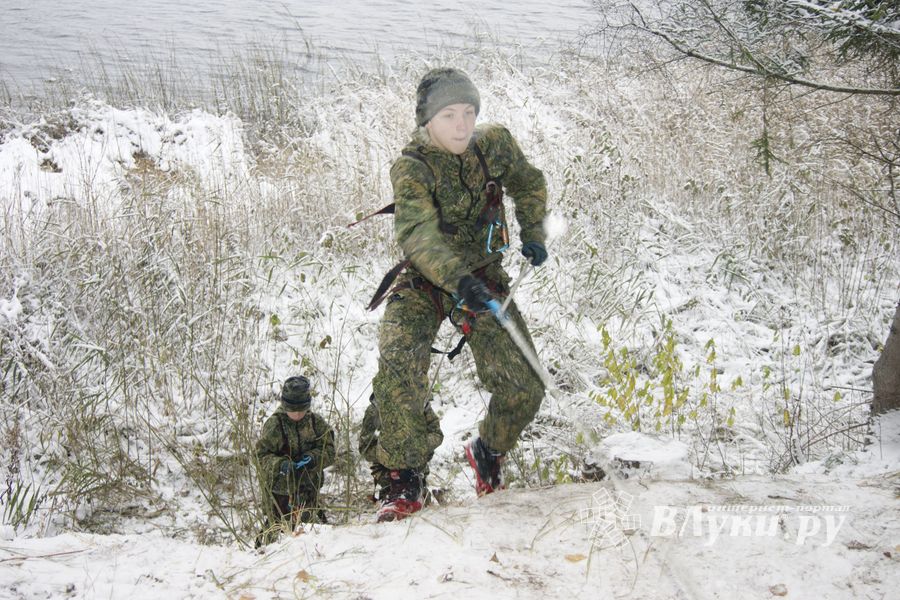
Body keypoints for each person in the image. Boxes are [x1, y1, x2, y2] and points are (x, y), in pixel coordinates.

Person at [368, 67, 548, 521]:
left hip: (483, 278)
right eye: (449, 115)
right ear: (427, 119)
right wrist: (457, 280)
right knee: (399, 364)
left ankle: (488, 452)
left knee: (526, 383)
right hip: (427, 281)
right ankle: (404, 476)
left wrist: (534, 231)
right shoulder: (412, 167)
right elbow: (418, 235)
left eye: (469, 112)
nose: (462, 125)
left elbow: (528, 181)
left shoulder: (494, 144)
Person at [255, 375, 335, 545]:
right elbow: (261, 456)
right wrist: (280, 465)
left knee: (314, 536)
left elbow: (329, 450)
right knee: (275, 537)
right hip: (279, 493)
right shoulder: (275, 425)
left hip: (308, 490)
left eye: (301, 409)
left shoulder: (316, 423)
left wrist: (313, 458)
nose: (297, 414)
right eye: (292, 409)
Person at [358, 393, 443, 521]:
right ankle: (393, 502)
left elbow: (436, 435)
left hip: (416, 470)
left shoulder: (419, 402)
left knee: (418, 502)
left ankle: (418, 495)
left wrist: (418, 447)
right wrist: (388, 453)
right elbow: (365, 448)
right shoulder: (376, 408)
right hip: (388, 477)